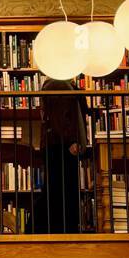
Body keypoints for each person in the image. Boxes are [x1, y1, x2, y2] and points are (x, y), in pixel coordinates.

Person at [33, 77, 89, 233]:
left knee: (56, 190)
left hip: (57, 144)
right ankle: (62, 230)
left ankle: (44, 230)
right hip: (62, 144)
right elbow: (65, 118)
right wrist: (74, 140)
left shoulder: (57, 86)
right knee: (63, 191)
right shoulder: (59, 86)